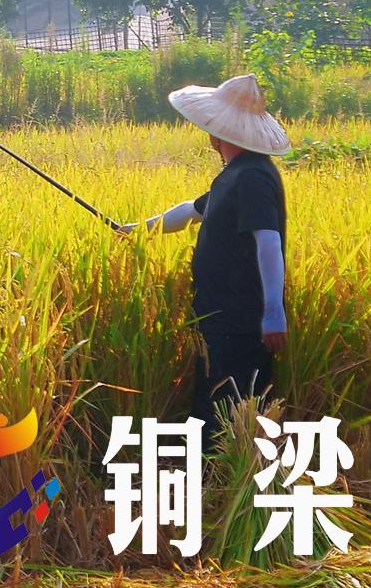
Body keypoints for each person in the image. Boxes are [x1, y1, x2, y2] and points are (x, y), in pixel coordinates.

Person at [122, 74, 289, 445]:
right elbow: (188, 212)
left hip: (242, 320)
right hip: (220, 318)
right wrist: (134, 229)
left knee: (231, 413)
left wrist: (273, 312)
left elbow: (268, 241)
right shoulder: (235, 175)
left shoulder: (253, 178)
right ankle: (217, 487)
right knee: (214, 406)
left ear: (218, 132)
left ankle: (234, 487)